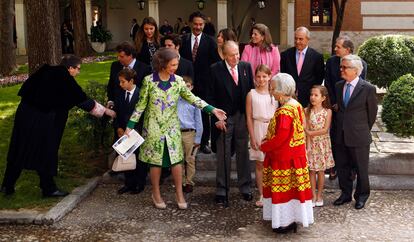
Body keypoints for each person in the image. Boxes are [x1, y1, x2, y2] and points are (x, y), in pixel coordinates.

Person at [125, 48, 226, 210]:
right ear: (162, 64)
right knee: (155, 163)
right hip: (153, 128)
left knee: (177, 162)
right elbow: (141, 105)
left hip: (172, 128)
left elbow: (193, 99)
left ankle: (179, 194)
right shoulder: (148, 81)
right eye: (172, 64)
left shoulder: (179, 81)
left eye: (176, 64)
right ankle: (156, 193)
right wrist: (129, 126)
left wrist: (212, 109)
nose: (175, 67)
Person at [1, 55, 116, 197]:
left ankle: (7, 185)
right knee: (46, 152)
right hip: (44, 120)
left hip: (24, 115)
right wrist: (106, 112)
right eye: (78, 69)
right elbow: (83, 101)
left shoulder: (45, 71)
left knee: (19, 149)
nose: (78, 72)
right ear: (70, 68)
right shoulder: (65, 79)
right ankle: (48, 188)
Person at [260, 73, 313, 233]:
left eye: (273, 88)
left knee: (283, 191)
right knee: (293, 190)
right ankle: (291, 219)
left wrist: (265, 146)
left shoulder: (284, 111)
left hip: (283, 157)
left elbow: (282, 136)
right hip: (294, 155)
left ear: (282, 90)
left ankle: (284, 222)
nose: (271, 91)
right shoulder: (295, 104)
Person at [208, 40, 255, 205]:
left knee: (243, 152)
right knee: (223, 153)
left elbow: (251, 91)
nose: (236, 57)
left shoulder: (245, 67)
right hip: (224, 118)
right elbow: (210, 97)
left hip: (242, 116)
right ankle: (222, 189)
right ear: (224, 55)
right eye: (232, 55)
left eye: (237, 54)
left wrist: (251, 117)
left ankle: (246, 187)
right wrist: (216, 119)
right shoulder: (215, 70)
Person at [333, 54, 378, 210]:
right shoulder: (339, 86)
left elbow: (371, 115)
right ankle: (345, 194)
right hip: (341, 135)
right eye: (341, 66)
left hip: (359, 136)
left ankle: (361, 196)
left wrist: (361, 129)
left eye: (345, 67)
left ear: (356, 70)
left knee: (361, 169)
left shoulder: (368, 89)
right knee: (342, 167)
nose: (342, 69)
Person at [325, 36, 367, 180]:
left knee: (351, 139)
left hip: (352, 112)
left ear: (347, 50)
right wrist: (334, 103)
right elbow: (328, 84)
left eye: (338, 47)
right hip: (336, 107)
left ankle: (353, 169)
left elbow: (361, 89)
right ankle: (335, 166)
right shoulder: (331, 62)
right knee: (336, 138)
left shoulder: (361, 64)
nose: (335, 49)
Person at [180, 11, 221, 154]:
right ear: (191, 23)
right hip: (185, 85)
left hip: (204, 85)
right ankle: (185, 141)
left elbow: (216, 63)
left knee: (204, 114)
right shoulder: (183, 40)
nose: (198, 27)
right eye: (195, 24)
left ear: (204, 25)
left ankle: (203, 143)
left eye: (201, 24)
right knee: (184, 112)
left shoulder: (210, 42)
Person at [246, 64, 278, 207]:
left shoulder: (274, 94)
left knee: (273, 163)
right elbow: (248, 117)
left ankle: (274, 192)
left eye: (264, 76)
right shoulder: (251, 94)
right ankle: (262, 194)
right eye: (258, 76)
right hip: (258, 128)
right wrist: (252, 137)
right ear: (255, 78)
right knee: (260, 164)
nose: (261, 79)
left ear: (269, 76)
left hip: (272, 128)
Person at [112, 68, 148, 195]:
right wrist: (118, 128)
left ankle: (140, 183)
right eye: (119, 82)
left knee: (139, 159)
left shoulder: (141, 94)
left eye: (122, 82)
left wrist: (137, 130)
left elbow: (144, 114)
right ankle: (129, 183)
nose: (120, 84)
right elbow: (116, 113)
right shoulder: (119, 94)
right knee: (126, 156)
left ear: (131, 81)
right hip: (123, 133)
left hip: (137, 132)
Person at [304, 85, 335, 207]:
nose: (313, 97)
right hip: (311, 144)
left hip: (322, 144)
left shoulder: (327, 112)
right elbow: (305, 127)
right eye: (311, 94)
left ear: (323, 98)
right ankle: (312, 195)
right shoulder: (306, 111)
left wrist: (310, 133)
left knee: (321, 171)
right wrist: (307, 146)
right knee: (311, 170)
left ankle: (319, 195)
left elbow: (325, 129)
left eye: (316, 95)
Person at [280, 26, 325, 107]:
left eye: (301, 39)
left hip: (308, 99)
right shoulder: (285, 55)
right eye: (296, 38)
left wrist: (312, 95)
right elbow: (283, 76)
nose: (297, 41)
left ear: (308, 39)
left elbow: (319, 78)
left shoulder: (317, 57)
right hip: (289, 97)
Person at [178, 76, 203, 193]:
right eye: (183, 86)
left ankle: (189, 182)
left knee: (190, 159)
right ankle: (181, 181)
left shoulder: (195, 101)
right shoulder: (175, 100)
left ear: (191, 87)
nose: (185, 88)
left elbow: (199, 121)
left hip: (190, 133)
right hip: (177, 133)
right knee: (179, 159)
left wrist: (198, 138)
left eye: (188, 86)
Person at [106, 42, 151, 107]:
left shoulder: (145, 69)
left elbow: (146, 91)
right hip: (117, 107)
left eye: (121, 56)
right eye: (118, 56)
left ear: (130, 56)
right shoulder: (115, 66)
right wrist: (110, 101)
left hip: (136, 107)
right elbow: (111, 85)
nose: (118, 58)